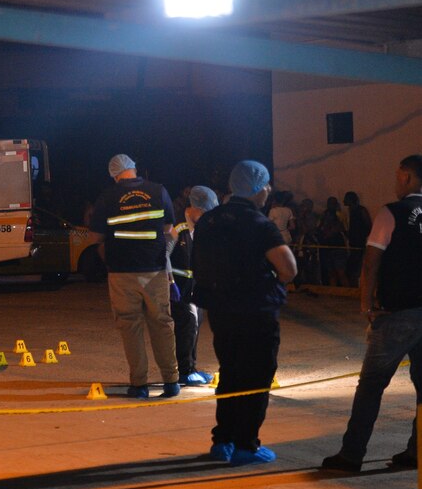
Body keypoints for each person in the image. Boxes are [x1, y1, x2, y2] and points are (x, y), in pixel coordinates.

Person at [322, 155, 422, 473]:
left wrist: (366, 304)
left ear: (408, 177)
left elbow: (371, 262)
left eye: (398, 176)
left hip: (399, 312)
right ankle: (421, 450)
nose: (395, 182)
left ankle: (352, 455)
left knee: (371, 385)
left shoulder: (391, 213)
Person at [192, 161, 297, 466]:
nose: (268, 191)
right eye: (266, 185)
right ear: (257, 188)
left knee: (231, 373)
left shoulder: (209, 221)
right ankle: (245, 445)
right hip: (256, 311)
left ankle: (222, 440)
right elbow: (288, 269)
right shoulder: (258, 223)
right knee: (256, 376)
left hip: (220, 311)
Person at [89, 154, 180, 399]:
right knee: (162, 323)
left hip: (121, 271)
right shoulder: (158, 191)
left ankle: (139, 385)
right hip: (155, 270)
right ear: (134, 169)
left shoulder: (107, 197)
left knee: (130, 327)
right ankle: (171, 381)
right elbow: (168, 228)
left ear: (114, 174)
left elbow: (95, 237)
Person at [168, 185, 218, 387]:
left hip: (196, 286)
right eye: (204, 212)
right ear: (194, 207)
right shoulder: (178, 227)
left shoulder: (203, 228)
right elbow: (164, 256)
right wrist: (170, 283)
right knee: (187, 325)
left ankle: (192, 368)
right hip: (179, 286)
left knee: (195, 325)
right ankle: (185, 371)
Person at [317, 196, 349, 286]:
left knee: (341, 272)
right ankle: (333, 292)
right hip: (327, 247)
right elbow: (319, 228)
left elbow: (345, 230)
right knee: (331, 273)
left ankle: (346, 293)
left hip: (338, 247)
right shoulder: (323, 214)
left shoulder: (340, 215)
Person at [343, 191, 372, 286]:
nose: (344, 200)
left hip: (359, 244)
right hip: (353, 243)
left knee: (354, 269)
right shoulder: (350, 211)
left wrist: (361, 236)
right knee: (351, 269)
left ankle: (355, 289)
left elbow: (368, 226)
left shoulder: (361, 210)